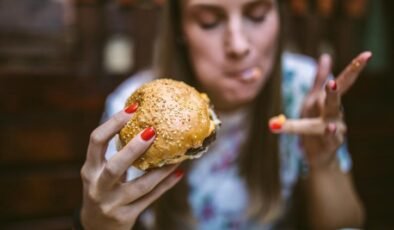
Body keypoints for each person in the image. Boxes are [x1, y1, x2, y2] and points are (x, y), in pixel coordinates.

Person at [79, 0, 371, 229]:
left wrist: (323, 163)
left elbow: (345, 224)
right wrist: (99, 224)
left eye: (257, 15)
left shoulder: (305, 89)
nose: (239, 46)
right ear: (180, 29)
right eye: (210, 21)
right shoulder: (134, 111)